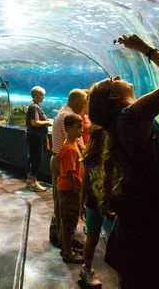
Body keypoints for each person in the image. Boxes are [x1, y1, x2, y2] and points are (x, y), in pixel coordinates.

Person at [88, 34, 159, 288]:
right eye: (112, 81)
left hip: (142, 223)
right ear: (114, 97)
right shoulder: (130, 117)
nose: (117, 77)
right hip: (153, 228)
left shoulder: (127, 122)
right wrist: (144, 49)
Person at [50, 88, 88, 248]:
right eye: (85, 102)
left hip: (60, 161)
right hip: (64, 164)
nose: (86, 105)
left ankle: (58, 236)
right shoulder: (68, 116)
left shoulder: (64, 111)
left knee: (60, 202)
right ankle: (65, 242)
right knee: (65, 205)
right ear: (78, 102)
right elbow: (76, 142)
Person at [78, 125, 115, 287]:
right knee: (92, 238)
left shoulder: (112, 157)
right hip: (94, 204)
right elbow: (85, 183)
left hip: (110, 205)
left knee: (95, 239)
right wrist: (82, 205)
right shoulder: (90, 159)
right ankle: (87, 268)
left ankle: (88, 268)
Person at [56, 113, 84, 264]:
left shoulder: (69, 144)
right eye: (78, 127)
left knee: (69, 220)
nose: (81, 130)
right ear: (68, 128)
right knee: (69, 222)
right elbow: (69, 172)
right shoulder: (70, 149)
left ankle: (68, 246)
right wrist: (75, 188)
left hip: (65, 189)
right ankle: (68, 252)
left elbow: (56, 160)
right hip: (69, 191)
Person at [25, 86, 53, 192]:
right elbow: (35, 122)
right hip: (36, 136)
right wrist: (47, 122)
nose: (43, 97)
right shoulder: (34, 107)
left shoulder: (33, 105)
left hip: (33, 136)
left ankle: (30, 180)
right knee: (36, 159)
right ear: (35, 95)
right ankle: (34, 182)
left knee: (31, 158)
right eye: (42, 95)